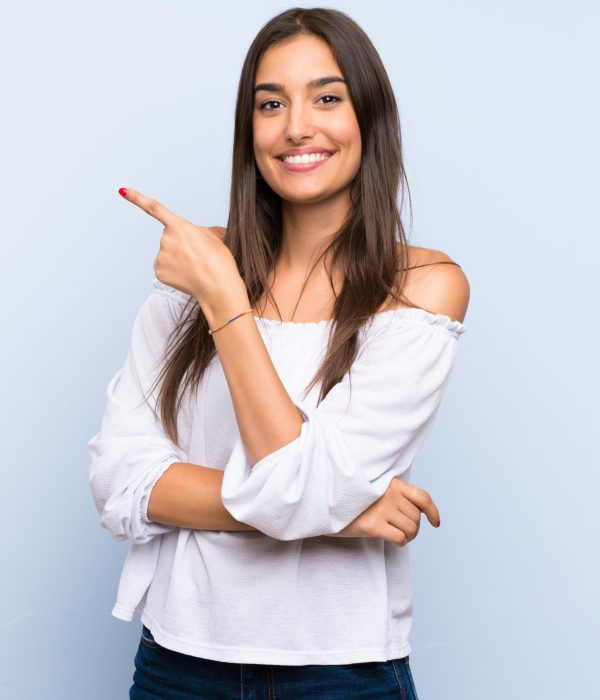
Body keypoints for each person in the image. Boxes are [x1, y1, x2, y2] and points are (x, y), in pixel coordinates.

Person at [87, 6, 469, 699]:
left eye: (327, 97)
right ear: (249, 129)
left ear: (370, 119)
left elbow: (296, 488)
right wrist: (337, 510)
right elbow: (118, 483)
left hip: (341, 673)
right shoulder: (192, 277)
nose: (297, 126)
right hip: (177, 665)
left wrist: (226, 300)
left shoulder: (421, 291)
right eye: (271, 103)